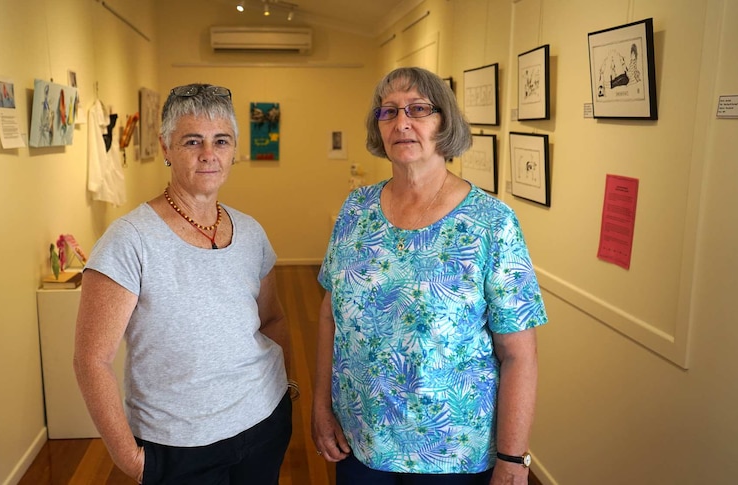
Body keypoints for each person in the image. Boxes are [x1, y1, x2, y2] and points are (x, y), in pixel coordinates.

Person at [312, 67, 548, 485]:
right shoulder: (355, 210)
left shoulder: (491, 223)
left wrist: (514, 459)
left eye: (418, 109)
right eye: (388, 112)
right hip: (360, 440)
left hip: (451, 452)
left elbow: (519, 354)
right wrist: (320, 404)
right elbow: (330, 314)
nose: (401, 122)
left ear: (445, 123)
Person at [74, 83, 295, 484]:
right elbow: (91, 360)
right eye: (192, 141)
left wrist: (288, 390)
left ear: (233, 150)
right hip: (179, 447)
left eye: (221, 141)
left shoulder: (249, 232)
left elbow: (274, 319)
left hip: (264, 423)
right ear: (165, 147)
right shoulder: (130, 240)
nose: (209, 154)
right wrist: (131, 460)